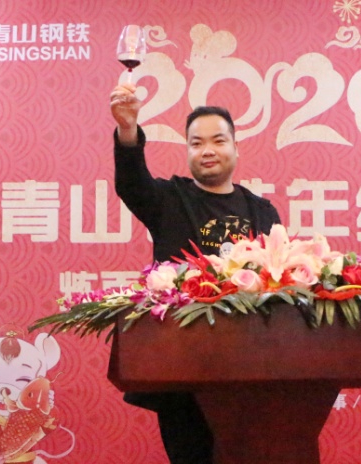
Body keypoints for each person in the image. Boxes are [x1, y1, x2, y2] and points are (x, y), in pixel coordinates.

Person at [109, 83, 281, 464]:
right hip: (182, 366)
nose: (207, 150)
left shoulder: (262, 212)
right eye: (196, 143)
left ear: (235, 147)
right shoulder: (169, 199)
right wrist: (127, 129)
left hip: (251, 367)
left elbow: (279, 279)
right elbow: (131, 183)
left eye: (218, 141)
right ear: (187, 151)